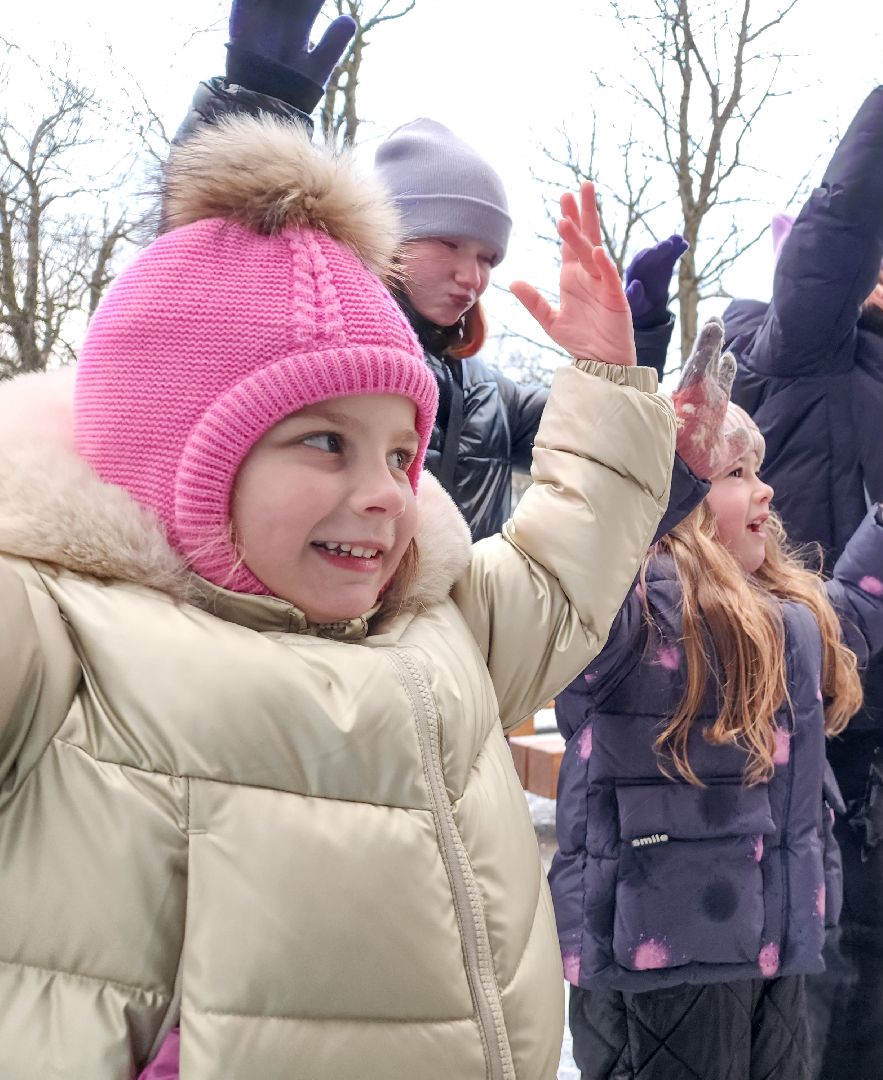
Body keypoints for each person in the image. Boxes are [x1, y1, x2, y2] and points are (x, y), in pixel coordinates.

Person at [0, 116, 674, 1078]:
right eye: (325, 443)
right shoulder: (65, 640)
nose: (384, 492)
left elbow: (564, 566)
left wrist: (610, 379)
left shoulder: (436, 626)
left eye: (402, 454)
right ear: (177, 454)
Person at [550, 318, 883, 1078]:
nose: (764, 488)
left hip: (771, 938)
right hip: (657, 952)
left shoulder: (778, 613)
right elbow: (592, 554)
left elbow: (848, 622)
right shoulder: (630, 609)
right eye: (730, 473)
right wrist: (648, 467)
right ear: (678, 489)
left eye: (755, 472)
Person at [182, 0, 691, 541]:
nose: (472, 276)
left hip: (462, 628)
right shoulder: (313, 343)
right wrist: (254, 102)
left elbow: (602, 465)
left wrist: (630, 349)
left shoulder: (494, 397)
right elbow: (213, 287)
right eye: (450, 244)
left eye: (488, 258)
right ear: (388, 234)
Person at [723, 52, 883, 1079]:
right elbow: (836, 234)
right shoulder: (797, 343)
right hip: (839, 675)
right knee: (854, 952)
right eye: (863, 260)